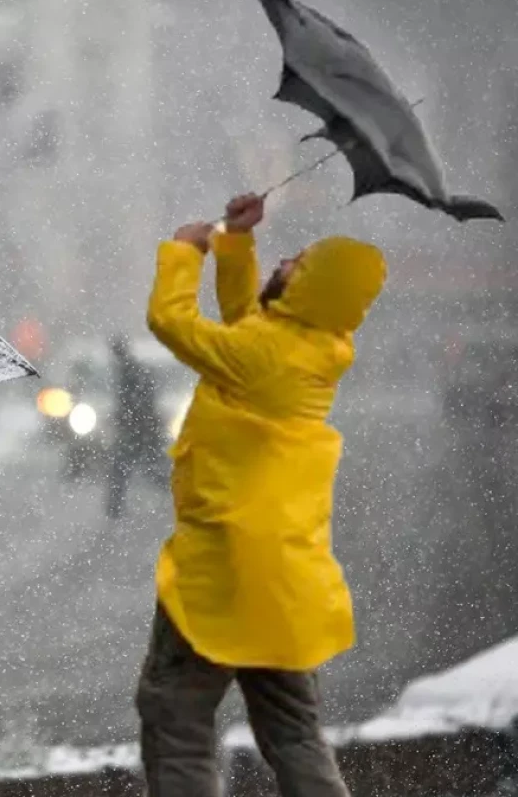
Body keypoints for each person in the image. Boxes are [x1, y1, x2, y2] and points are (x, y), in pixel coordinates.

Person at [136, 193, 386, 797]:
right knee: (294, 735)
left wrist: (184, 251)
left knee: (177, 718)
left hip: (224, 569)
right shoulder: (307, 347)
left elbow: (171, 323)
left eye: (298, 264)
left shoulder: (264, 357)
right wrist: (235, 243)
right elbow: (246, 319)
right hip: (286, 579)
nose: (286, 265)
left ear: (312, 290)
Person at [105, 334, 165, 520]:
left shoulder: (129, 371)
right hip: (141, 428)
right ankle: (114, 507)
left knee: (124, 467)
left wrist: (127, 419)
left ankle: (114, 507)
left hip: (138, 429)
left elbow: (135, 402)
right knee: (149, 467)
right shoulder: (131, 369)